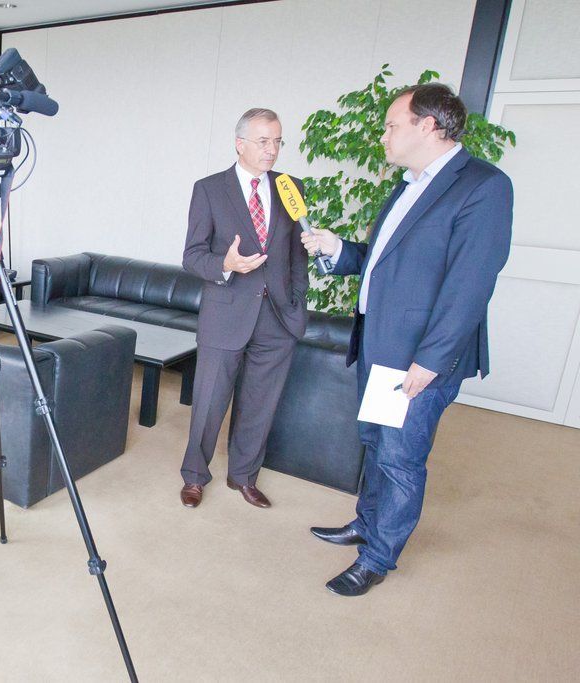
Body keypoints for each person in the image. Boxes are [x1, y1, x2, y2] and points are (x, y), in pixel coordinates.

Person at [301, 83, 513, 597]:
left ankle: (377, 557)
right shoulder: (407, 184)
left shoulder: (484, 186)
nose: (384, 135)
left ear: (429, 126)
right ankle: (366, 523)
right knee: (375, 445)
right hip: (381, 345)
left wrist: (431, 360)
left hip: (419, 358)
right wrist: (339, 249)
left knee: (399, 459)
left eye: (393, 125)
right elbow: (385, 260)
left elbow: (469, 285)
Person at [179, 108, 309, 509]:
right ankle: (194, 476)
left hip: (278, 318)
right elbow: (192, 255)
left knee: (259, 405)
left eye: (278, 142)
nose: (272, 150)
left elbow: (298, 255)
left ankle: (244, 476)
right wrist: (226, 264)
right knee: (209, 403)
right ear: (240, 144)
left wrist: (298, 303)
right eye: (263, 141)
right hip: (226, 313)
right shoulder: (209, 189)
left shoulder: (291, 187)